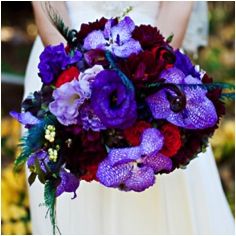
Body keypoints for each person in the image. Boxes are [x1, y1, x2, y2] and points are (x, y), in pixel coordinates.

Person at [23, 1, 234, 234]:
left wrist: (149, 78)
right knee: (76, 211)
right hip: (65, 71)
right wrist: (74, 74)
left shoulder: (155, 72)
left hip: (154, 66)